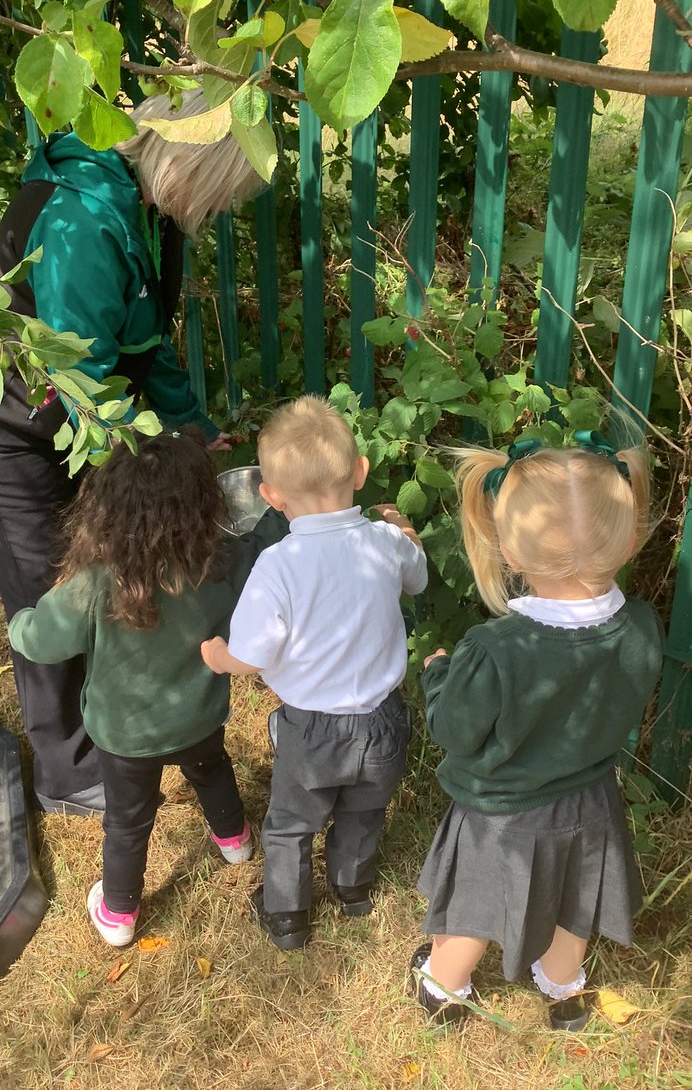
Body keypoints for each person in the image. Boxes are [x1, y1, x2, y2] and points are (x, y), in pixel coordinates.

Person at [0, 91, 264, 816]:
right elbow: (80, 380)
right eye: (223, 193)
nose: (220, 211)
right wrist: (163, 466)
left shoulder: (144, 206)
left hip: (71, 411)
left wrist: (191, 432)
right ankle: (70, 771)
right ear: (191, 164)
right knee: (54, 582)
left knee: (97, 564)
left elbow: (144, 347)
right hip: (7, 424)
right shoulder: (83, 223)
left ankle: (119, 712)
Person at [411, 432, 662, 1030]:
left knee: (476, 903)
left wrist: (438, 676)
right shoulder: (643, 626)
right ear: (627, 539)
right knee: (576, 896)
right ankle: (563, 985)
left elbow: (455, 731)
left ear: (510, 554)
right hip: (592, 795)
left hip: (503, 811)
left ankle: (443, 986)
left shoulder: (496, 648)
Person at [7, 428, 287, 945]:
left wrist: (19, 622)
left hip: (125, 737)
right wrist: (284, 501)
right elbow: (261, 544)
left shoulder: (95, 581)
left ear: (107, 506)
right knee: (210, 768)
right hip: (201, 715)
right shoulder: (217, 561)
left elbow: (41, 642)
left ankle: (118, 914)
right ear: (204, 502)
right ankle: (235, 840)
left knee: (129, 820)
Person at [201, 396, 427, 949]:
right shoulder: (385, 542)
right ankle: (353, 889)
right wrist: (406, 532)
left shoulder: (278, 564)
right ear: (360, 471)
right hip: (383, 721)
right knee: (364, 810)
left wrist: (218, 656)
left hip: (311, 730)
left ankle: (287, 915)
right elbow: (417, 581)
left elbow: (253, 654)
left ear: (271, 496)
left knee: (291, 824)